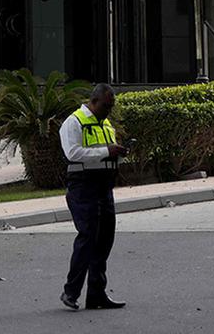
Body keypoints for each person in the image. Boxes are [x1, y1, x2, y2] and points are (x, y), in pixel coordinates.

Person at [58, 83, 127, 311]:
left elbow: (105, 154)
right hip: (82, 185)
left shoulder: (105, 123)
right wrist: (107, 151)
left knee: (105, 239)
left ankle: (97, 294)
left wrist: (118, 155)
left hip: (104, 185)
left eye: (111, 107)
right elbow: (73, 153)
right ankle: (71, 292)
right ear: (94, 101)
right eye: (106, 106)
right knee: (88, 237)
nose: (109, 111)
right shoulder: (74, 122)